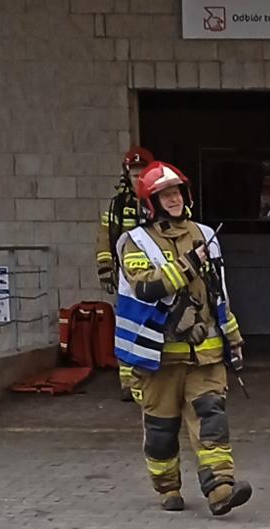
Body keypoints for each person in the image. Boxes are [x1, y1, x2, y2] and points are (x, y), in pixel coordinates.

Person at [115, 160, 254, 516]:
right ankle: (167, 488)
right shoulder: (133, 242)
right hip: (156, 357)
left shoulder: (205, 234)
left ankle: (220, 489)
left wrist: (233, 336)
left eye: (177, 192)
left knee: (212, 418)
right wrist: (189, 264)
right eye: (165, 194)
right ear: (151, 202)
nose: (174, 199)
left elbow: (218, 293)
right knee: (161, 431)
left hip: (203, 355)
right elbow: (146, 287)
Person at [101, 147, 154, 401]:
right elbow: (105, 238)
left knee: (153, 325)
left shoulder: (158, 200)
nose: (138, 178)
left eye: (142, 173)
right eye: (134, 175)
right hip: (126, 277)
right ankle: (128, 382)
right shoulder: (117, 206)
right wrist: (105, 269)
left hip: (157, 277)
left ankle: (151, 378)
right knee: (127, 326)